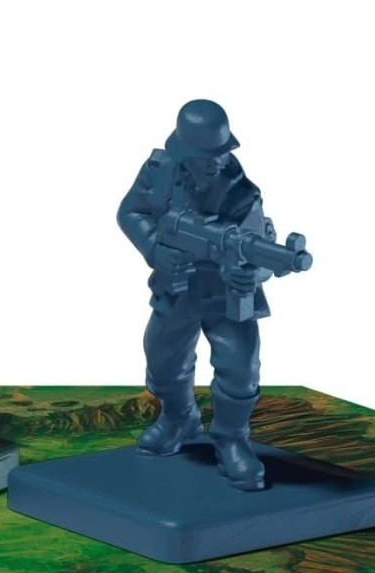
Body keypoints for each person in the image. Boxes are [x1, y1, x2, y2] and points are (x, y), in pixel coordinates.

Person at [117, 99, 273, 491]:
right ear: (185, 152)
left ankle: (232, 440)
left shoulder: (243, 195)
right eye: (206, 155)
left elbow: (261, 254)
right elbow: (130, 212)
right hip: (178, 284)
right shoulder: (160, 173)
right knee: (162, 357)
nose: (216, 162)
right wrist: (156, 250)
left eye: (221, 152)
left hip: (225, 293)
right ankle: (178, 418)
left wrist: (251, 273)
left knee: (239, 367)